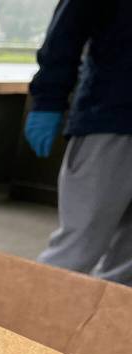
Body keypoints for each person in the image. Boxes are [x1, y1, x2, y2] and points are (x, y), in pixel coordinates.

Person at [26, 1, 132, 284]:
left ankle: (110, 310)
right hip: (112, 118)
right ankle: (36, 306)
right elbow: (67, 31)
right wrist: (48, 100)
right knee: (78, 245)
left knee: (128, 260)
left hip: (113, 114)